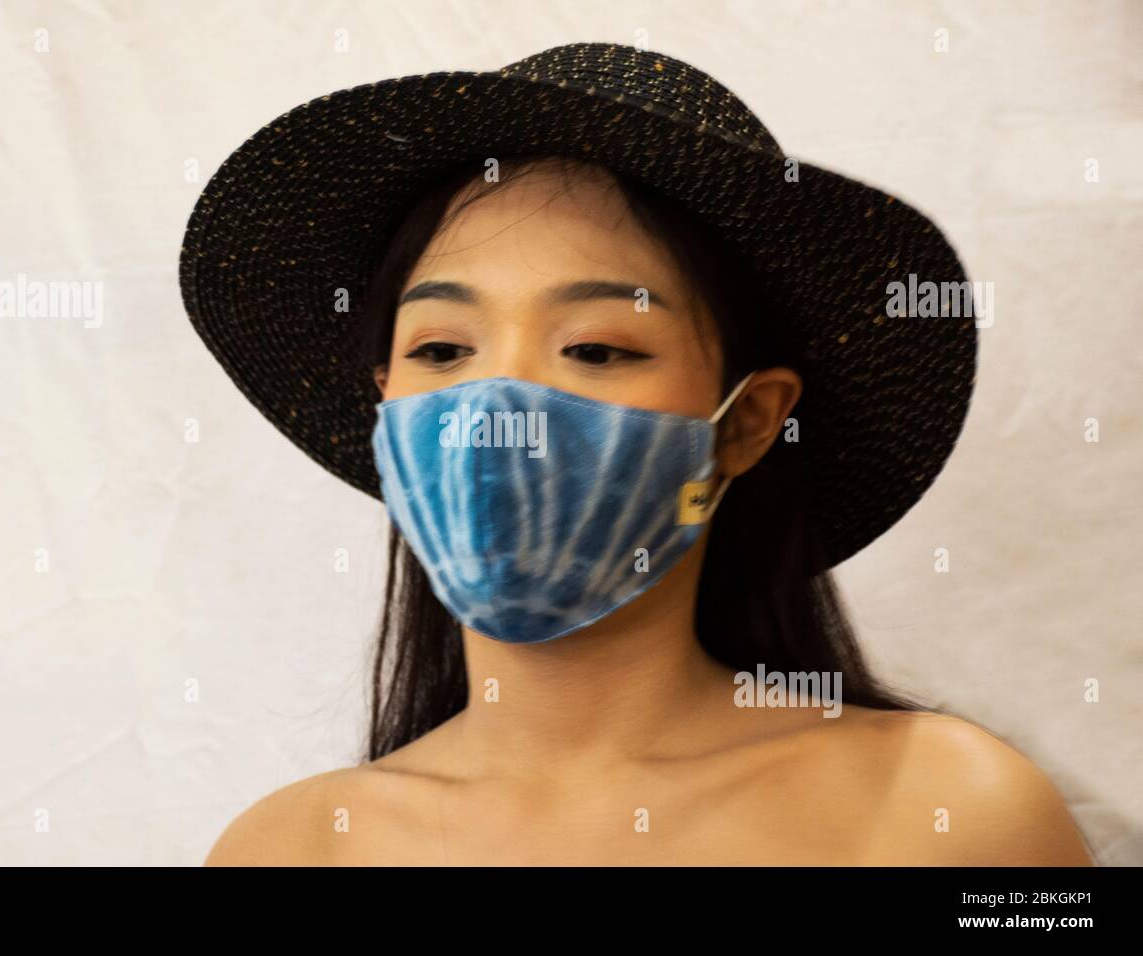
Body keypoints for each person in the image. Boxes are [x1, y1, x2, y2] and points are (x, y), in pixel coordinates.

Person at [180, 44, 1094, 865]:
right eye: (442, 351)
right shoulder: (291, 847)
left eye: (599, 348)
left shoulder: (954, 811)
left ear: (744, 422)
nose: (499, 411)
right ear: (384, 406)